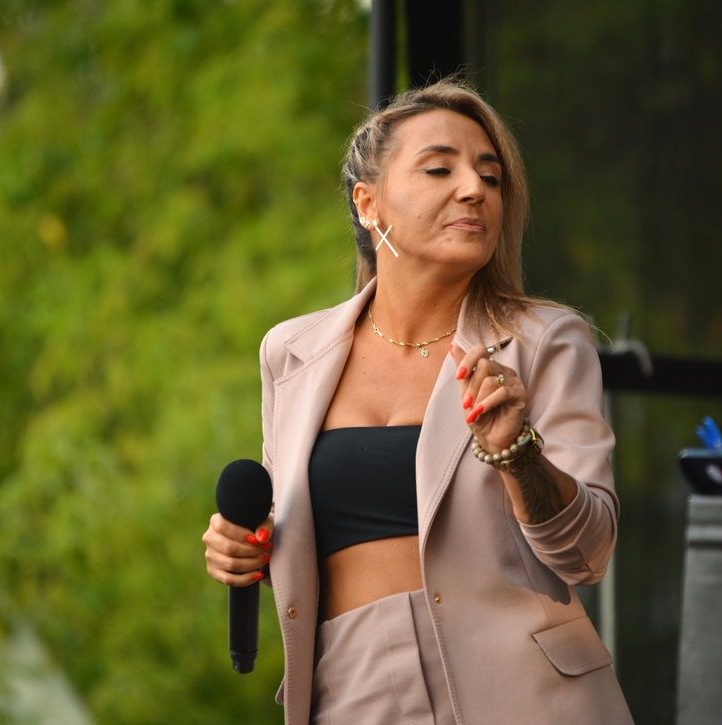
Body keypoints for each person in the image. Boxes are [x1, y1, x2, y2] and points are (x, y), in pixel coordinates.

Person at [203, 78, 634, 725]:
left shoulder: (543, 340)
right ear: (368, 203)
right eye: (439, 169)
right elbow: (304, 538)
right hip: (352, 691)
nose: (474, 189)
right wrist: (251, 550)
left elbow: (586, 553)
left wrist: (519, 455)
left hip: (523, 693)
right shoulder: (291, 352)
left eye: (491, 177)